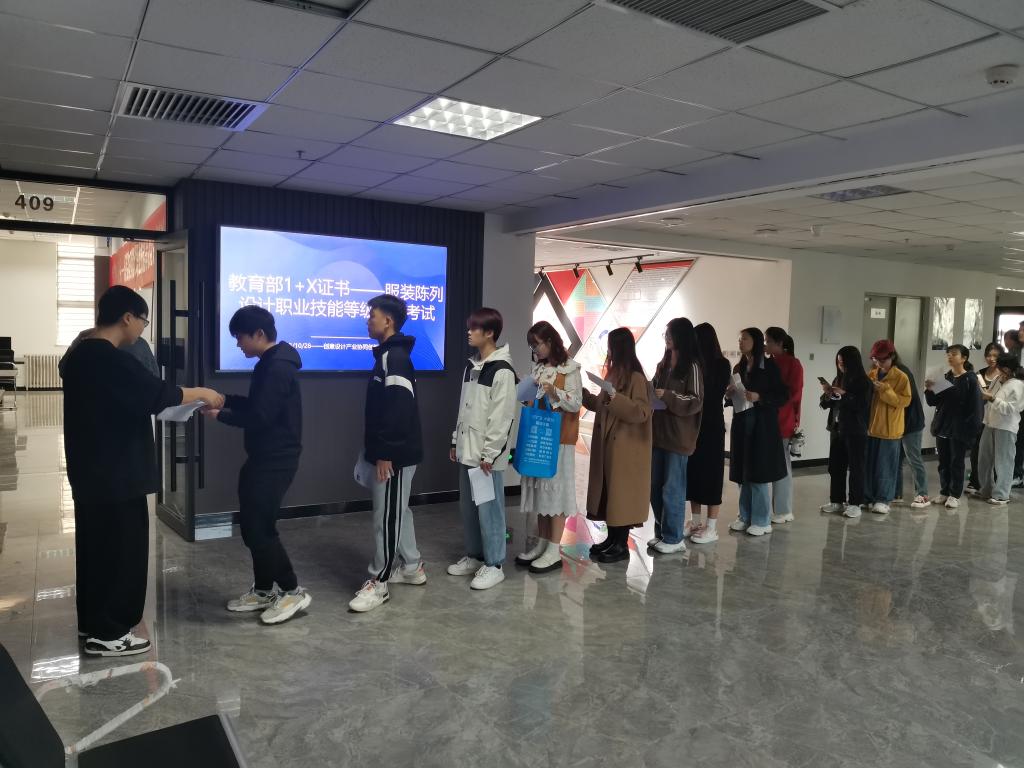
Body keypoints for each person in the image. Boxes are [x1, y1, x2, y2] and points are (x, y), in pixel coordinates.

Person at [62, 285, 223, 656]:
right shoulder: (109, 359)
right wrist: (200, 392)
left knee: (96, 552)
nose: (141, 329)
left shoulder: (80, 355)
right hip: (117, 476)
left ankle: (94, 622)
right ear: (127, 317)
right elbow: (156, 393)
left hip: (92, 472)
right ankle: (110, 633)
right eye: (142, 321)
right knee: (122, 555)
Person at [206, 306, 310, 625]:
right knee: (254, 526)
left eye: (240, 337)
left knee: (259, 528)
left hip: (275, 460)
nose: (238, 344)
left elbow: (261, 417)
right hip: (264, 457)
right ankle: (265, 590)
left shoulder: (277, 366)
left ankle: (292, 590)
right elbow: (259, 405)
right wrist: (225, 400)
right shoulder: (270, 362)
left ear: (259, 334)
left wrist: (221, 415)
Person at [349, 294, 425, 613]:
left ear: (388, 321)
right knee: (398, 511)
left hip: (394, 455)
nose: (368, 320)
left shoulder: (394, 358)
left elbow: (398, 410)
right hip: (391, 452)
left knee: (386, 516)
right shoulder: (388, 356)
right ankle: (412, 567)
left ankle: (379, 582)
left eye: (372, 315)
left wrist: (385, 454)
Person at [447, 308, 518, 590]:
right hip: (468, 450)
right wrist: (456, 440)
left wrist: (490, 453)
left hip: (487, 457)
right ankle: (476, 556)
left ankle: (495, 563)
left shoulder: (502, 370)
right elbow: (463, 409)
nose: (469, 332)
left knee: (490, 510)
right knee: (469, 509)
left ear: (489, 333)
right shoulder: (471, 366)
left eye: (474, 328)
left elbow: (502, 417)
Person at [583, 328, 653, 562]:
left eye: (611, 346)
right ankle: (612, 539)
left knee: (621, 496)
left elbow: (641, 412)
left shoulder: (636, 378)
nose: (608, 351)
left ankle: (621, 544)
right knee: (609, 494)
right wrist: (583, 394)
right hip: (610, 447)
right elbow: (601, 405)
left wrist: (616, 398)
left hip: (626, 449)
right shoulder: (614, 374)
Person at [648, 318, 703, 555]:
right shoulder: (663, 364)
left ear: (682, 336)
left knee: (672, 489)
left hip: (679, 438)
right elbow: (653, 390)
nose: (667, 338)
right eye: (666, 334)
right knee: (655, 488)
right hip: (658, 435)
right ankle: (661, 532)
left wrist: (668, 396)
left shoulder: (692, 366)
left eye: (670, 334)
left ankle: (673, 538)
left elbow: (696, 400)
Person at [727, 328, 788, 536]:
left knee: (759, 472)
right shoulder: (739, 366)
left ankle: (762, 520)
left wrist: (760, 397)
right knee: (744, 471)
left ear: (756, 341)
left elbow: (782, 395)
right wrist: (730, 394)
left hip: (762, 425)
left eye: (744, 338)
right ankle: (744, 516)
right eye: (739, 338)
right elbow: (737, 395)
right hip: (742, 423)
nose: (740, 342)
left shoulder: (769, 367)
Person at [924, 344, 983, 509]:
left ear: (964, 358)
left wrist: (970, 429)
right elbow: (933, 402)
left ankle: (955, 494)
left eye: (954, 354)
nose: (950, 357)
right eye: (948, 354)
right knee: (943, 462)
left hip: (959, 428)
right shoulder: (945, 377)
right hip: (943, 425)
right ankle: (944, 491)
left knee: (956, 462)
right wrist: (929, 389)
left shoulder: (970, 379)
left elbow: (975, 407)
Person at [689, 324, 731, 545]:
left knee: (713, 475)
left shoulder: (721, 364)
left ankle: (711, 526)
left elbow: (712, 394)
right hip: (694, 425)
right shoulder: (693, 364)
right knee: (694, 472)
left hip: (712, 426)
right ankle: (695, 521)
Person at [819, 346, 871, 519]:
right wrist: (828, 394)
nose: (840, 365)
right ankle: (836, 501)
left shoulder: (863, 381)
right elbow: (827, 403)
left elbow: (861, 405)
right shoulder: (838, 378)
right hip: (836, 428)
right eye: (838, 362)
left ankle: (855, 503)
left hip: (855, 430)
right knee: (835, 466)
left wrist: (844, 394)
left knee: (856, 468)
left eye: (843, 362)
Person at [864, 339, 912, 515]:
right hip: (871, 428)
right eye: (875, 359)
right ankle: (867, 497)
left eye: (882, 360)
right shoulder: (871, 374)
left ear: (892, 356)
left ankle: (883, 499)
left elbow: (904, 401)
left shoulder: (901, 377)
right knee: (869, 466)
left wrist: (885, 390)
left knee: (885, 467)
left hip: (890, 431)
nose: (878, 363)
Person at [764, 326, 803, 524]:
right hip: (767, 418)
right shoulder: (767, 362)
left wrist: (771, 398)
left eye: (768, 341)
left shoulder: (793, 364)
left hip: (783, 418)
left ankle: (784, 509)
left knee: (782, 466)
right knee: (769, 465)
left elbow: (795, 393)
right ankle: (769, 509)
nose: (765, 345)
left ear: (779, 343)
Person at [978, 352, 1024, 505]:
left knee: (1004, 461)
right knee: (984, 459)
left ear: (1007, 369)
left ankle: (1002, 494)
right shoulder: (998, 379)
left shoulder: (1018, 385)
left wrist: (992, 398)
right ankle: (986, 489)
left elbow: (1011, 409)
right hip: (990, 423)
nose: (997, 370)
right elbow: (990, 396)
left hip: (1006, 427)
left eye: (1000, 367)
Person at [892, 350, 929, 509]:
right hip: (897, 423)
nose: (877, 363)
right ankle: (896, 493)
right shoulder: (886, 372)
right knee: (896, 459)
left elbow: (905, 399)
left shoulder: (902, 372)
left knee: (914, 458)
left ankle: (922, 494)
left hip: (911, 422)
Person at [967, 342, 1004, 494]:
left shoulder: (1004, 375)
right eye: (989, 355)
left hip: (997, 418)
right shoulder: (980, 374)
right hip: (980, 416)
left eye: (995, 355)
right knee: (976, 450)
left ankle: (994, 483)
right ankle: (975, 481)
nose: (991, 358)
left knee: (995, 453)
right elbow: (978, 394)